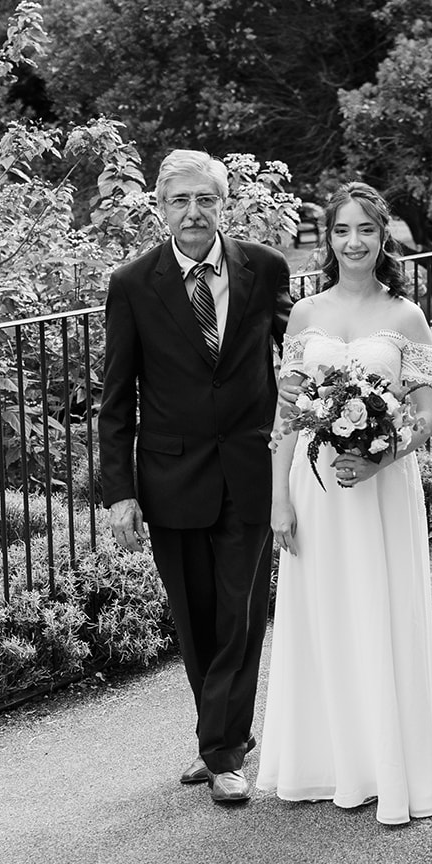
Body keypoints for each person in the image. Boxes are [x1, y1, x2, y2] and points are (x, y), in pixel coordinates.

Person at [99, 150, 294, 806]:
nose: (192, 212)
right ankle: (222, 735)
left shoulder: (264, 270)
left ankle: (222, 751)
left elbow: (302, 355)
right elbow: (116, 398)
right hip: (170, 477)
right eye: (179, 200)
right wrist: (120, 491)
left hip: (250, 470)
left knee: (239, 614)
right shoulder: (131, 284)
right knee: (196, 619)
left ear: (222, 204)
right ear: (159, 206)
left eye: (204, 200)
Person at [256, 182, 432, 824]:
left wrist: (380, 456)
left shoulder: (405, 318)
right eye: (342, 231)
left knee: (382, 613)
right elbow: (284, 416)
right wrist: (279, 499)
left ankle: (388, 768)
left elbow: (425, 415)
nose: (354, 242)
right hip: (318, 492)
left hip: (383, 491)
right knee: (323, 616)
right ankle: (332, 763)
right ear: (327, 240)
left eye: (366, 229)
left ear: (382, 236)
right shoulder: (305, 317)